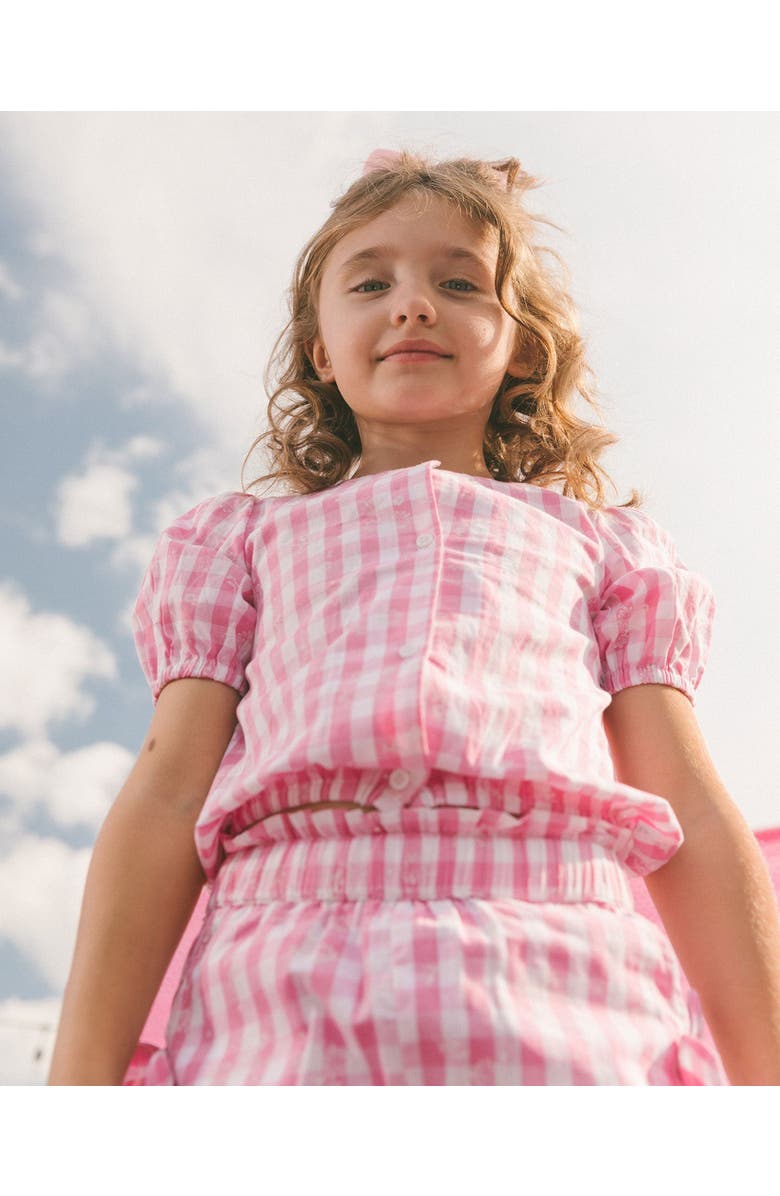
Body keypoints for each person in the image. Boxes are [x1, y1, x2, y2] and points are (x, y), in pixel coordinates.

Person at [48, 147, 780, 1086]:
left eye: (459, 280)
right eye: (369, 281)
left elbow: (690, 810)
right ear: (320, 348)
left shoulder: (610, 550)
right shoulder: (237, 545)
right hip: (280, 986)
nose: (412, 303)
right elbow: (165, 800)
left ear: (519, 342)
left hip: (570, 982)